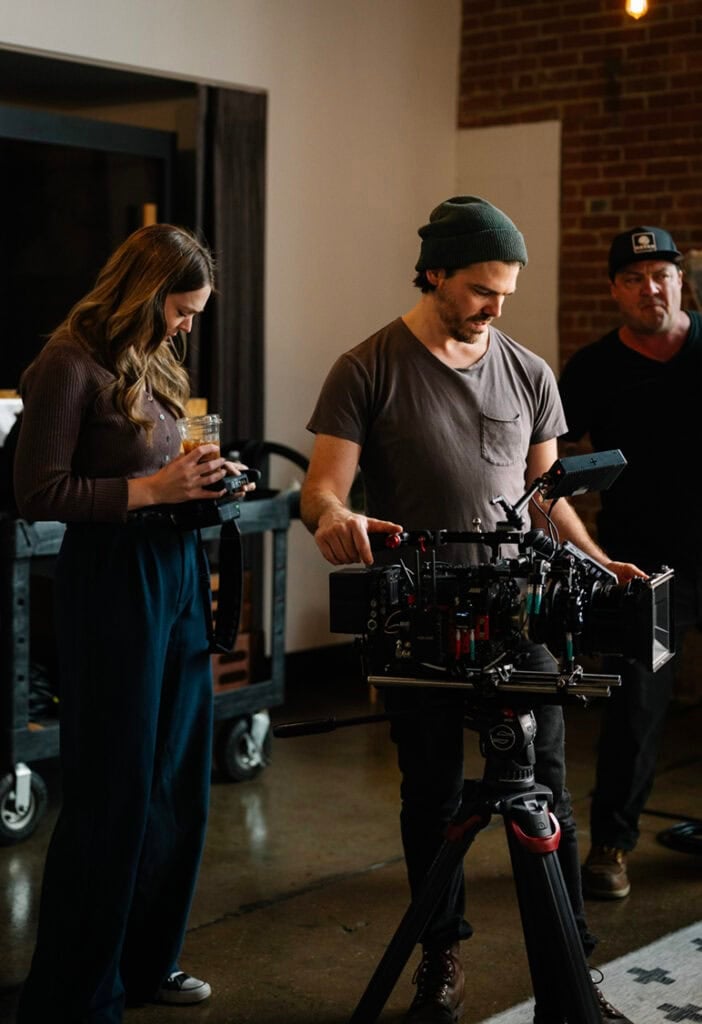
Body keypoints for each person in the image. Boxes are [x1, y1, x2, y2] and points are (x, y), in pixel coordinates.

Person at [300, 195, 642, 1024]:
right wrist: (337, 519)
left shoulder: (528, 371)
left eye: (506, 294)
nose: (495, 307)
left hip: (519, 620)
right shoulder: (366, 366)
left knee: (546, 795)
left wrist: (597, 561)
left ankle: (571, 971)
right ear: (436, 273)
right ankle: (440, 956)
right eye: (483, 289)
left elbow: (546, 499)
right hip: (422, 623)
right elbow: (321, 490)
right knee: (434, 797)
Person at [13, 223, 255, 1024]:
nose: (188, 324)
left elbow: (160, 469)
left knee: (176, 783)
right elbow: (40, 495)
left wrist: (207, 481)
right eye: (181, 310)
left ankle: (150, 960)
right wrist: (154, 491)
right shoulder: (66, 363)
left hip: (176, 572)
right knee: (112, 789)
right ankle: (79, 994)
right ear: (144, 294)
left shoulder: (153, 362)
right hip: (113, 583)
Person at [559, 225, 702, 901]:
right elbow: (553, 466)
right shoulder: (592, 370)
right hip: (647, 568)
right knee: (638, 709)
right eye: (635, 278)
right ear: (616, 289)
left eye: (662, 274)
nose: (652, 288)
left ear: (681, 278)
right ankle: (613, 845)